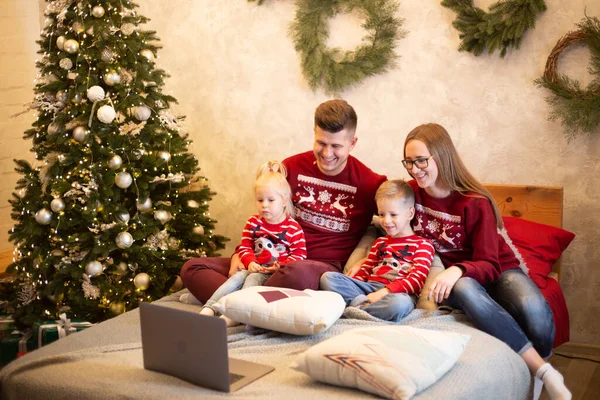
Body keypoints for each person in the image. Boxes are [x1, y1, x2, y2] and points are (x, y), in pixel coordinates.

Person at [401, 123, 570, 400]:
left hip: (496, 268)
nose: (414, 169)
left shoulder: (473, 201)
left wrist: (457, 269)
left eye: (421, 160)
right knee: (466, 288)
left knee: (534, 310)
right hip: (459, 281)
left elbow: (489, 264)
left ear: (441, 156)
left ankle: (540, 370)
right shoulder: (410, 194)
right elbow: (386, 210)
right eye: (409, 161)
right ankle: (541, 371)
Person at [180, 99, 386, 304]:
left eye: (336, 146)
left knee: (297, 273)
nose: (327, 153)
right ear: (314, 133)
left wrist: (366, 259)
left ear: (353, 143)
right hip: (267, 258)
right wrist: (241, 254)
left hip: (313, 269)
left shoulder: (369, 183)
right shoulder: (292, 167)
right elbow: (266, 213)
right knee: (192, 268)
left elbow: (400, 221)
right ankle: (249, 307)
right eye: (321, 143)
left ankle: (235, 303)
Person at [198, 160, 307, 321]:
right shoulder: (253, 222)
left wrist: (278, 265)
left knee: (252, 279)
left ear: (284, 201)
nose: (264, 206)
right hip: (252, 266)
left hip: (271, 273)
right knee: (236, 278)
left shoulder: (293, 228)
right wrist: (249, 262)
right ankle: (210, 307)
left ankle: (237, 313)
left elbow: (299, 255)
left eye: (271, 200)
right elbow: (245, 246)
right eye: (260, 200)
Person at [320, 180, 435, 321]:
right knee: (328, 278)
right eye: (381, 214)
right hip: (369, 288)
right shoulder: (381, 242)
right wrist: (355, 284)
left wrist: (384, 292)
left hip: (397, 293)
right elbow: (366, 269)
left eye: (393, 215)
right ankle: (361, 306)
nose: (386, 221)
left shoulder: (423, 245)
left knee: (400, 305)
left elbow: (416, 281)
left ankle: (352, 310)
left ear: (410, 213)